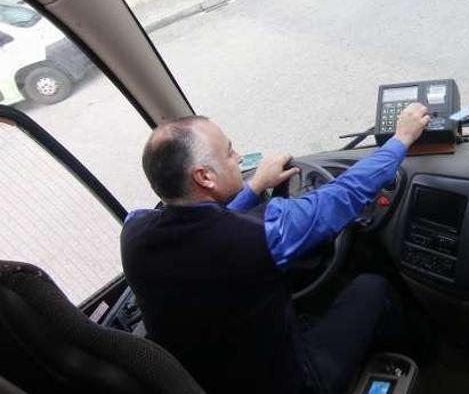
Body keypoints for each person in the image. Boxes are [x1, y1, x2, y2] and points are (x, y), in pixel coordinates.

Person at [121, 104, 431, 394]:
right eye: (229, 153)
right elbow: (344, 195)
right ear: (204, 177)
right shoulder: (265, 234)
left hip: (206, 382)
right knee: (372, 287)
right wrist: (401, 138)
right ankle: (429, 360)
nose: (239, 157)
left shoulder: (133, 232)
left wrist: (255, 187)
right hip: (293, 384)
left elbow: (206, 228)